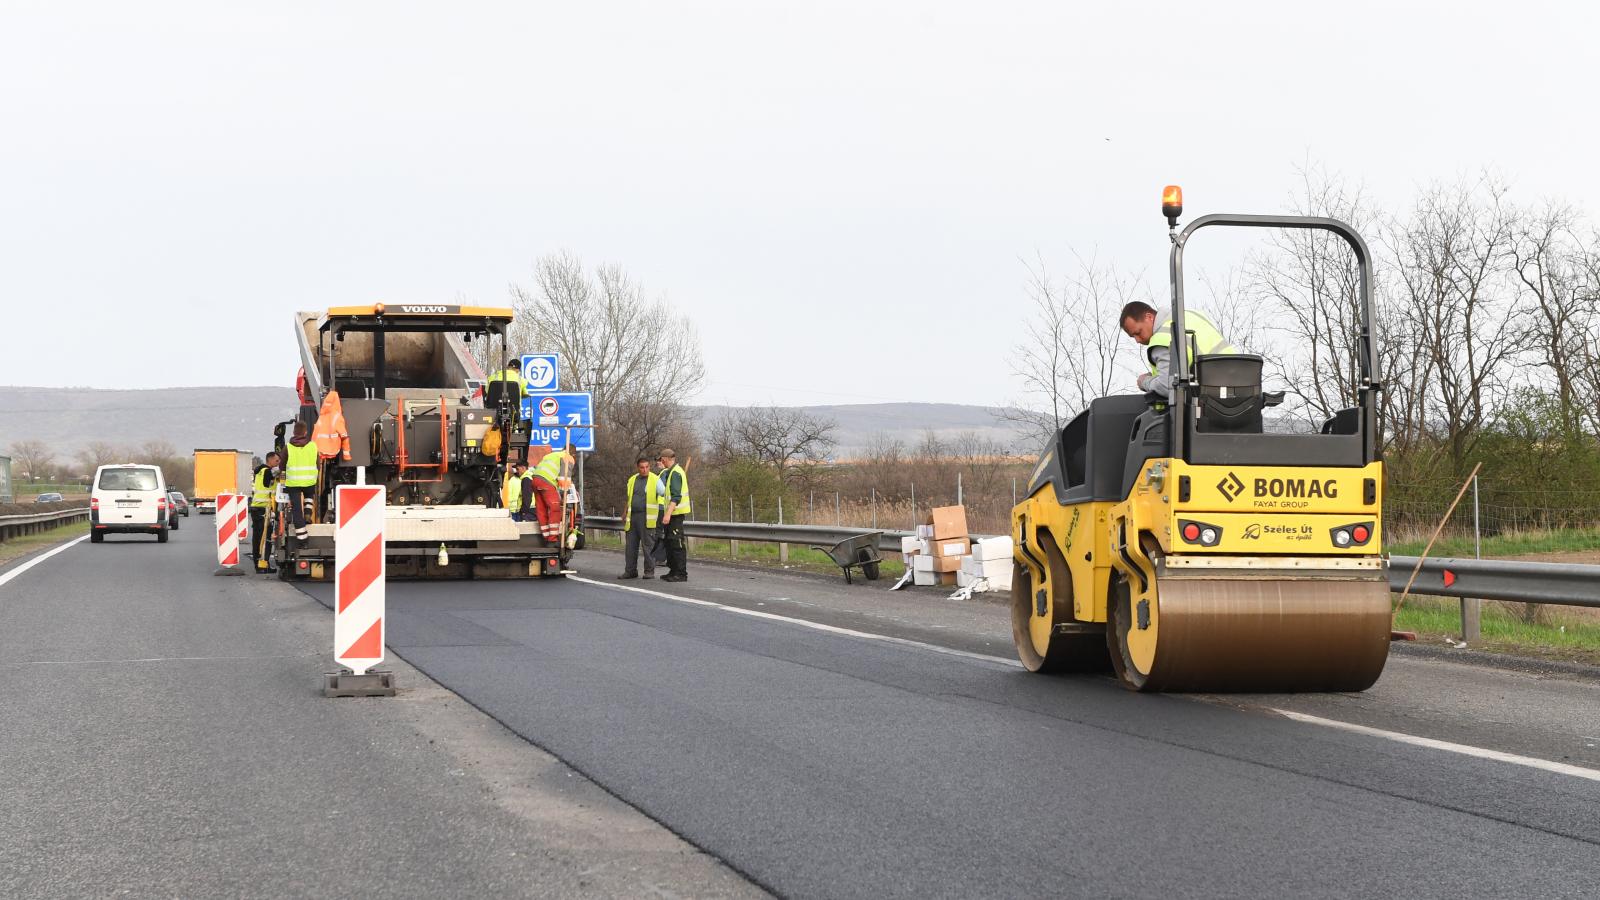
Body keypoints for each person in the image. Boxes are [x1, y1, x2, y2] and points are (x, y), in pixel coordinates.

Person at [1119, 300, 1236, 396]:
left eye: (1138, 332)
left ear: (1149, 317)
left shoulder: (1162, 338)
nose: (1138, 340)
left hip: (1206, 403)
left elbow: (1167, 386)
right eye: (1132, 337)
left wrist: (1145, 382)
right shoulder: (1193, 315)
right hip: (1238, 388)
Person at [619, 456, 665, 580]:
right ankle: (630, 571)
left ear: (649, 467)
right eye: (642, 467)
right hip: (633, 517)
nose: (644, 470)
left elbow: (664, 494)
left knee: (648, 546)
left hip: (647, 517)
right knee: (631, 547)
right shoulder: (632, 480)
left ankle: (649, 572)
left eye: (647, 467)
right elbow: (629, 498)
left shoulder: (655, 480)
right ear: (638, 468)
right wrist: (624, 513)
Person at [657, 448, 691, 582]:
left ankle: (681, 573)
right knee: (670, 543)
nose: (661, 462)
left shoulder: (676, 473)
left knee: (677, 545)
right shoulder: (671, 472)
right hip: (672, 515)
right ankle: (673, 571)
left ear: (664, 459)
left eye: (661, 460)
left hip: (675, 515)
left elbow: (676, 497)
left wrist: (667, 515)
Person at [282, 421, 320, 540]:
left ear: (294, 432)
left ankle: (302, 538)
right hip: (309, 481)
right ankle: (308, 512)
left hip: (293, 484)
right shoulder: (313, 446)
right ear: (305, 432)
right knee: (309, 495)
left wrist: (282, 475)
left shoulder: (287, 447)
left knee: (297, 511)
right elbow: (317, 463)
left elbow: (282, 466)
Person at [528, 448, 572, 544]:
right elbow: (564, 479)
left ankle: (546, 537)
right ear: (574, 454)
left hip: (535, 479)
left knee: (541, 509)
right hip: (546, 482)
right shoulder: (568, 457)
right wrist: (565, 495)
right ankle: (552, 539)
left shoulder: (551, 455)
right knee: (555, 509)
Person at [249, 451, 281, 571]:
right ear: (270, 460)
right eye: (277, 461)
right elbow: (270, 481)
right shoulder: (267, 472)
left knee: (257, 538)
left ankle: (258, 563)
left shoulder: (260, 471)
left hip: (257, 508)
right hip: (264, 509)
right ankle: (263, 564)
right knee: (265, 538)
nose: (278, 463)